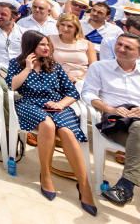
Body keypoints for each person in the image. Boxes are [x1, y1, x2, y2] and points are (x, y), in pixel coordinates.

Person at [7, 31, 96, 215]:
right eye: (42, 45)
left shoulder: (54, 66)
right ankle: (45, 174)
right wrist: (28, 68)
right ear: (31, 46)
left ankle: (84, 184)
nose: (47, 48)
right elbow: (12, 86)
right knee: (47, 125)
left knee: (67, 132)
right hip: (29, 103)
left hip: (57, 105)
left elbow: (72, 93)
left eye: (48, 44)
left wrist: (59, 104)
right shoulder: (17, 64)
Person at [82, 33, 140, 219]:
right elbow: (87, 94)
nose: (121, 49)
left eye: (128, 47)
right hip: (118, 126)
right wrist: (109, 108)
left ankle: (126, 186)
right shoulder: (99, 68)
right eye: (119, 44)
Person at [49, 13, 95, 83]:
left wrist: (80, 79)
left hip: (82, 79)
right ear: (58, 25)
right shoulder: (51, 40)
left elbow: (94, 67)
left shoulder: (87, 44)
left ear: (76, 29)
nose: (65, 28)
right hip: (57, 77)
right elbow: (47, 62)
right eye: (62, 25)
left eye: (69, 26)